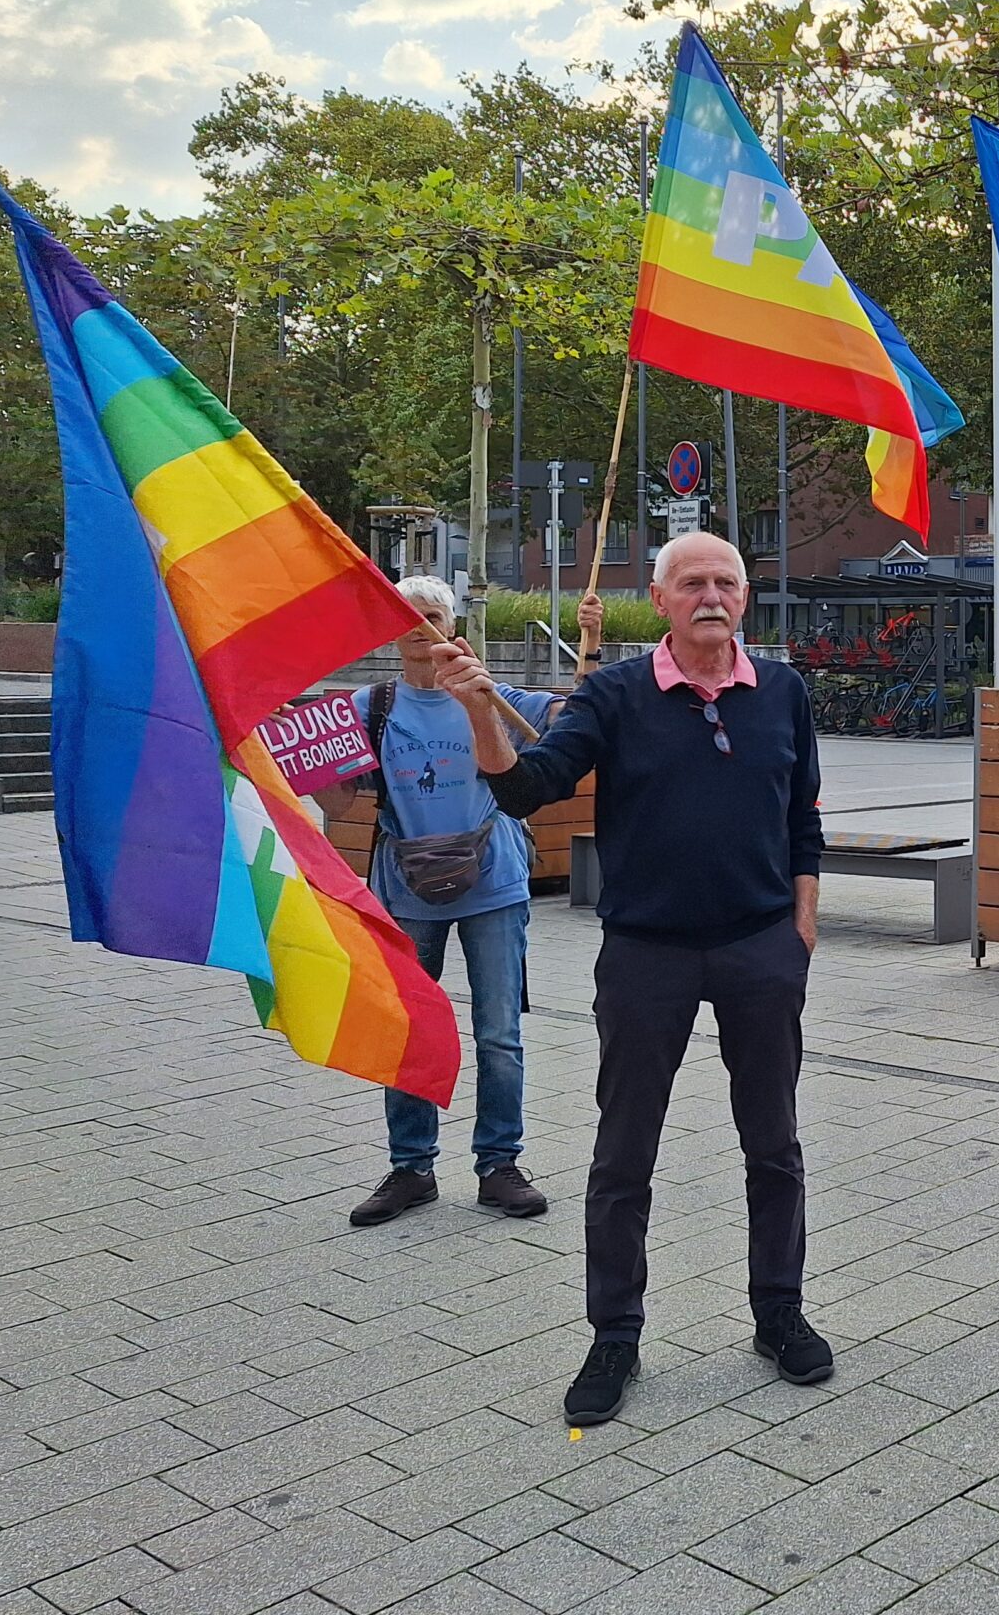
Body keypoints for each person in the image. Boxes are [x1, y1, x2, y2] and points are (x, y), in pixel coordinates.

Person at [438, 532, 830, 1427]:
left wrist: (801, 923)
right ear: (658, 599)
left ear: (744, 597)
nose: (712, 595)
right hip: (647, 954)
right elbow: (527, 788)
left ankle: (780, 1310)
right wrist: (479, 711)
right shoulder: (613, 695)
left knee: (774, 1144)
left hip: (760, 948)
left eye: (726, 581)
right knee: (624, 1155)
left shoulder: (781, 692)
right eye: (691, 582)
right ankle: (614, 1331)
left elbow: (802, 812)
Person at [320, 576, 588, 1228]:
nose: (420, 624)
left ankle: (499, 1163)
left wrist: (590, 641)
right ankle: (411, 1167)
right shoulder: (367, 706)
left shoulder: (489, 693)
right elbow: (339, 804)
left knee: (499, 1034)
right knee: (407, 1029)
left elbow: (577, 722)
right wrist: (311, 771)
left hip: (493, 884)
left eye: (433, 613)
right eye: (406, 614)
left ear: (455, 624)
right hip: (403, 888)